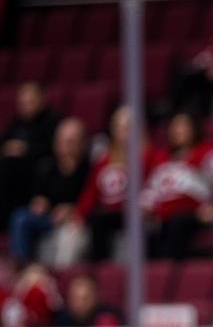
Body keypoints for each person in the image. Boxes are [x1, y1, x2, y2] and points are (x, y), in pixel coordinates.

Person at [63, 107, 162, 264]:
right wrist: (79, 215)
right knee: (89, 223)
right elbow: (91, 192)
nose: (124, 133)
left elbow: (157, 185)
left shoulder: (152, 156)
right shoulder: (105, 160)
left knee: (104, 220)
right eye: (119, 128)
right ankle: (98, 268)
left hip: (136, 213)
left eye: (128, 127)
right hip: (109, 214)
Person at [141, 113, 213, 260]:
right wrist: (144, 208)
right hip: (163, 214)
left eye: (183, 126)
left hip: (194, 213)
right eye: (174, 126)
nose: (178, 130)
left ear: (194, 128)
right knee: (145, 227)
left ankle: (170, 271)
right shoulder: (162, 158)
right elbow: (151, 188)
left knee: (177, 222)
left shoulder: (209, 153)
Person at [8, 117, 90, 265]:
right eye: (60, 141)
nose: (64, 146)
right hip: (49, 217)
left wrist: (72, 209)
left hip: (74, 219)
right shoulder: (47, 166)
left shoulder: (88, 170)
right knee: (20, 217)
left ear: (82, 144)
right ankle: (21, 267)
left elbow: (92, 200)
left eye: (70, 142)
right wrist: (39, 202)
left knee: (70, 231)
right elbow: (38, 195)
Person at [0, 82, 61, 229]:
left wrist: (26, 149)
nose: (26, 107)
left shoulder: (52, 120)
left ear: (42, 100)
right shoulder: (17, 123)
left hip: (37, 171)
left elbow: (55, 149)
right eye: (23, 103)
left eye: (30, 102)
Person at [52, 274, 124, 327]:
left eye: (85, 298)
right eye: (76, 298)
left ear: (96, 297)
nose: (80, 303)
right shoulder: (60, 320)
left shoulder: (109, 315)